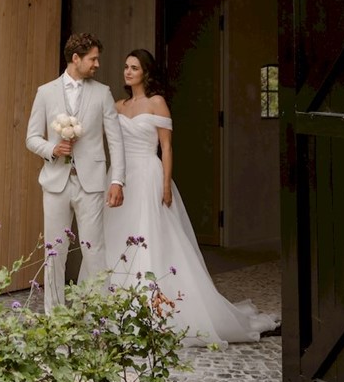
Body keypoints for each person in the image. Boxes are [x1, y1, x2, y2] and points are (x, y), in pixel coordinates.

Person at [104, 48, 279, 346]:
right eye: (126, 67)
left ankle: (151, 308)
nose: (128, 72)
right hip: (121, 176)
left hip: (147, 174)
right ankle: (118, 306)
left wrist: (165, 185)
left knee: (149, 237)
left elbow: (166, 148)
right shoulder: (118, 106)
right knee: (117, 238)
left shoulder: (157, 103)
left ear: (146, 72)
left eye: (134, 67)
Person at [27, 33, 126, 314]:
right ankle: (55, 317)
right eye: (93, 59)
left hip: (91, 184)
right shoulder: (45, 92)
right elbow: (31, 138)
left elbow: (115, 141)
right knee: (54, 253)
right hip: (55, 183)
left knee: (94, 250)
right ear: (76, 58)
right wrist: (53, 149)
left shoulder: (103, 93)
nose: (97, 64)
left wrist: (117, 180)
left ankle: (99, 317)